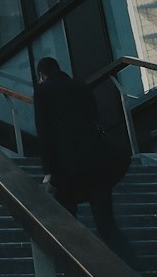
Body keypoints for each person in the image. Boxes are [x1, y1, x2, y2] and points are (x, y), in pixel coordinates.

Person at [33, 57, 137, 266]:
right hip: (98, 163)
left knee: (69, 222)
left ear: (41, 75)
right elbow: (94, 120)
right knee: (106, 224)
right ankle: (130, 265)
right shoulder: (80, 87)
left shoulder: (43, 91)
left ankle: (79, 265)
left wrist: (48, 171)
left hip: (67, 168)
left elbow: (45, 135)